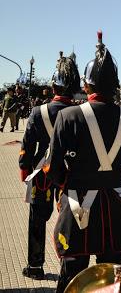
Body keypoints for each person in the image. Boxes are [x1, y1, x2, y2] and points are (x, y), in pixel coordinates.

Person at [47, 32, 121, 292]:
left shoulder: (69, 117)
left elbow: (53, 167)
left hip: (77, 202)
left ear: (87, 85)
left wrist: (63, 189)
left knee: (71, 278)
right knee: (111, 280)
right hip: (116, 207)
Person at [19, 54, 80, 279]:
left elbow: (27, 146)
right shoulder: (78, 114)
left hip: (41, 174)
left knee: (37, 219)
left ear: (53, 85)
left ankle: (35, 266)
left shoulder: (38, 112)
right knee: (69, 220)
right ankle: (70, 266)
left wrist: (25, 170)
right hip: (69, 174)